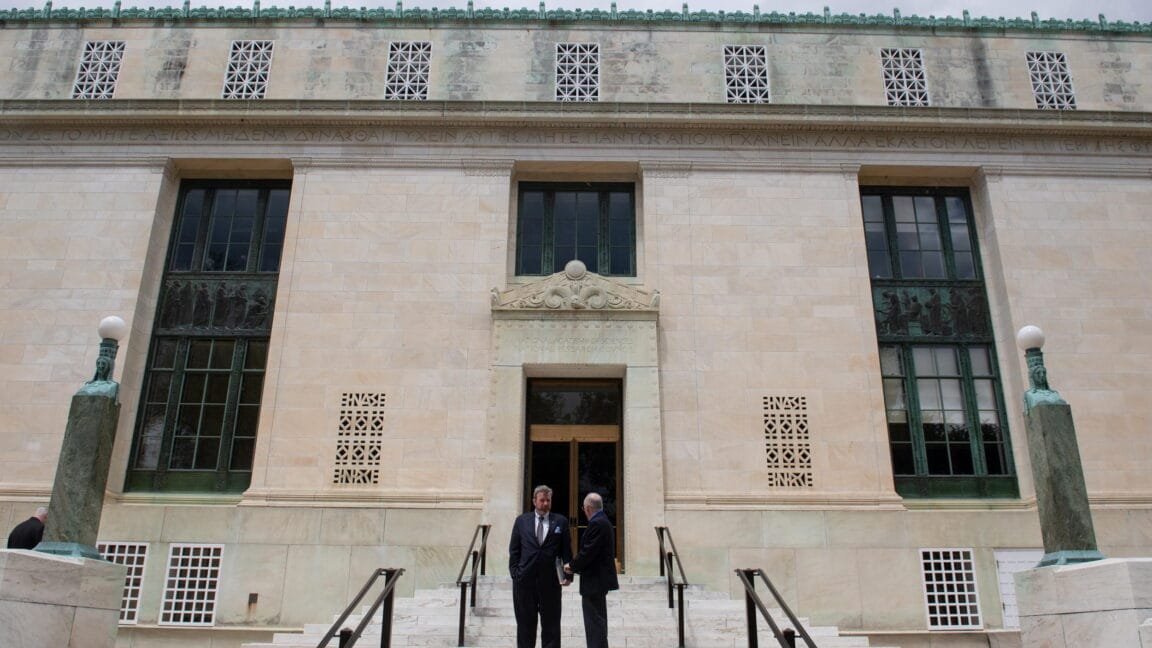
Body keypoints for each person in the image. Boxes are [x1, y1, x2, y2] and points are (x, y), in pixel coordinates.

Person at [509, 485, 572, 648]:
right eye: (542, 500)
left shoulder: (560, 522)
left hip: (550, 583)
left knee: (551, 627)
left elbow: (566, 551)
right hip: (525, 583)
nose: (545, 503)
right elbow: (514, 550)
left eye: (548, 500)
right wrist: (515, 573)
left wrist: (568, 575)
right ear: (534, 501)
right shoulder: (521, 521)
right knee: (525, 626)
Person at [564, 493, 619, 648]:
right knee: (597, 624)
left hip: (594, 583)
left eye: (583, 509)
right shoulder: (604, 522)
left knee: (594, 625)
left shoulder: (597, 524)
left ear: (587, 508)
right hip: (597, 583)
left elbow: (588, 552)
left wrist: (571, 566)